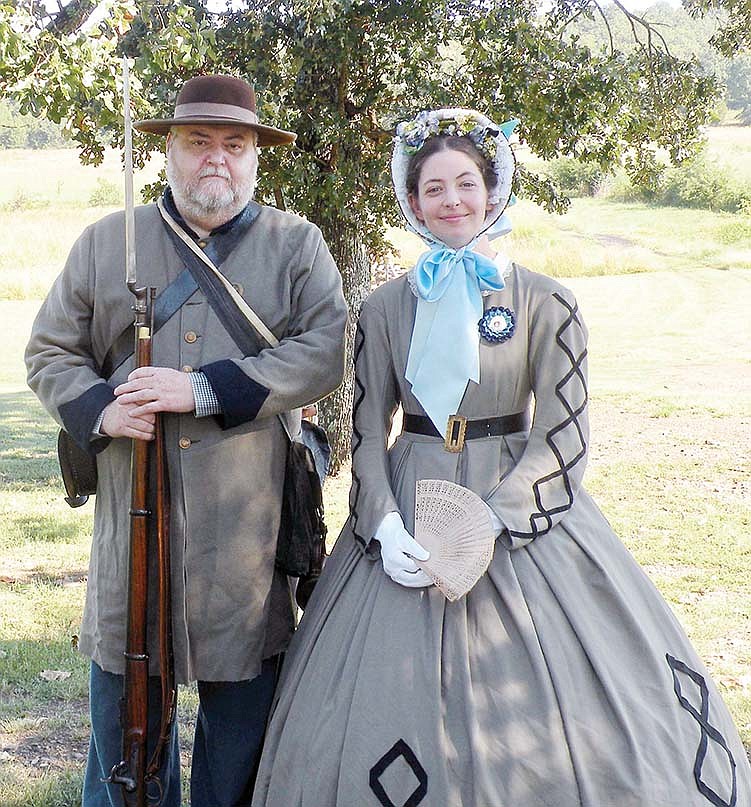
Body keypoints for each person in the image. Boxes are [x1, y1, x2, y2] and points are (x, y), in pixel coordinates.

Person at [251, 108, 751, 807]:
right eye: (432, 187)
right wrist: (383, 522)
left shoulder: (548, 302)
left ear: (492, 191)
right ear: (412, 200)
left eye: (464, 183)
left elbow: (563, 438)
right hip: (412, 500)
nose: (451, 199)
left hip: (515, 507)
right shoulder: (386, 307)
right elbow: (367, 430)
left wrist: (495, 519)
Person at [25, 74, 348, 807]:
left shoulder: (297, 246)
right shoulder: (110, 241)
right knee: (126, 729)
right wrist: (102, 410)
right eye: (197, 141)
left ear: (256, 155)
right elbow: (50, 350)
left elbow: (324, 352)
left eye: (234, 144)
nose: (216, 159)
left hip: (249, 532)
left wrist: (201, 389)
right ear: (167, 149)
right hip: (132, 522)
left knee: (242, 731)